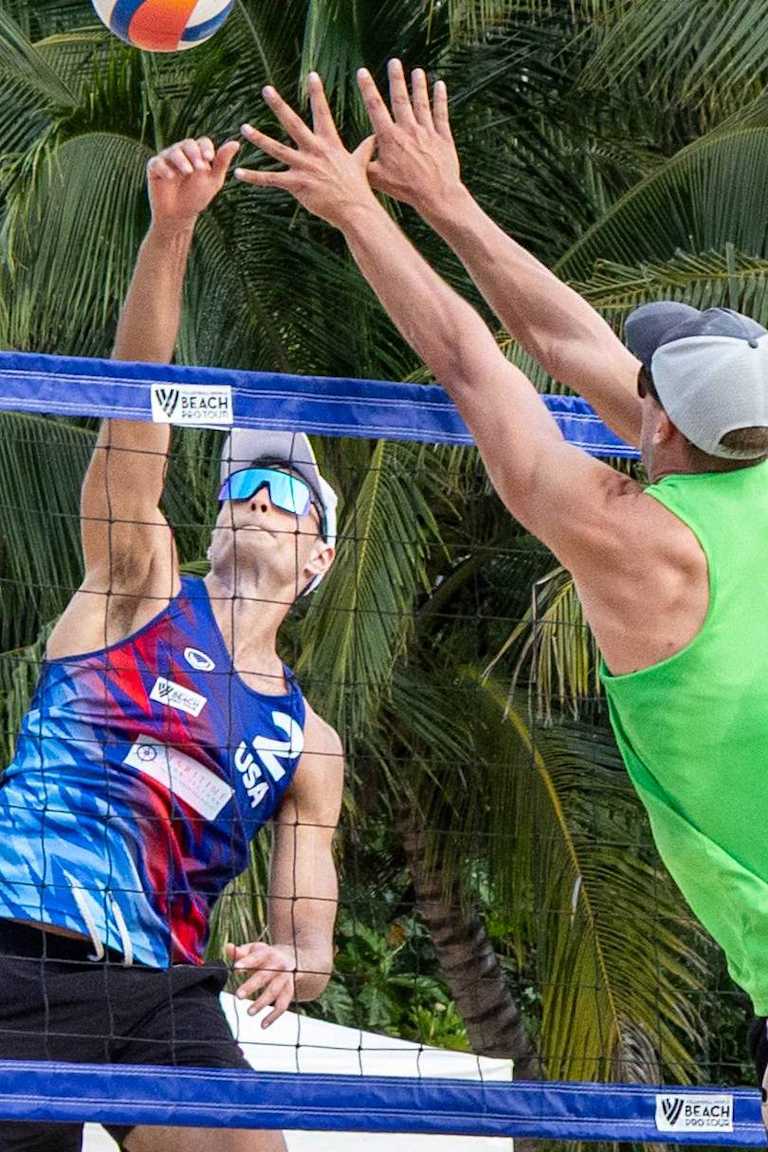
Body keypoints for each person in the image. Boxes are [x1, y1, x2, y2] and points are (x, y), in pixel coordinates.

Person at [234, 67, 768, 1114]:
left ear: (662, 423)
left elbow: (474, 364)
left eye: (648, 384)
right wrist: (446, 200)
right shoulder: (739, 462)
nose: (630, 379)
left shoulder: (643, 545)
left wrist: (357, 210)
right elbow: (570, 344)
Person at [0, 136, 344, 1152]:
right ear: (216, 519)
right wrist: (172, 230)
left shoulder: (308, 742)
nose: (258, 498)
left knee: (250, 1148)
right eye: (243, 484)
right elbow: (133, 420)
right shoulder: (140, 588)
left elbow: (310, 937)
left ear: (319, 558)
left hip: (152, 990)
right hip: (14, 944)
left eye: (286, 492)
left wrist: (296, 964)